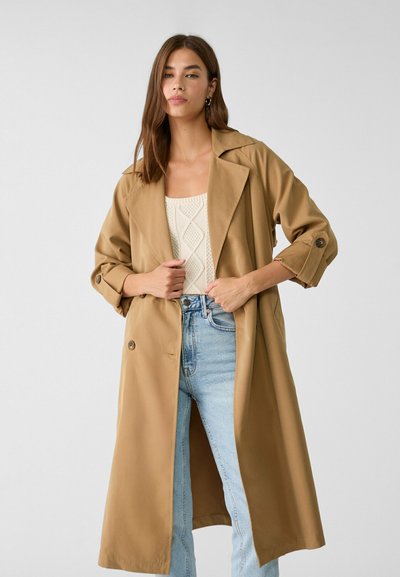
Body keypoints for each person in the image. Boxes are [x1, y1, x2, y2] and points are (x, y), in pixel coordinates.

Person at [90, 34, 338, 577]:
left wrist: (250, 283)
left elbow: (317, 236)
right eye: (167, 74)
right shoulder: (137, 179)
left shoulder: (250, 158)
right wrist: (146, 281)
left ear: (211, 86)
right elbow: (105, 267)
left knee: (253, 497)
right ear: (157, 88)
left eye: (191, 73)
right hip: (156, 345)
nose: (177, 84)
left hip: (230, 337)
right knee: (165, 505)